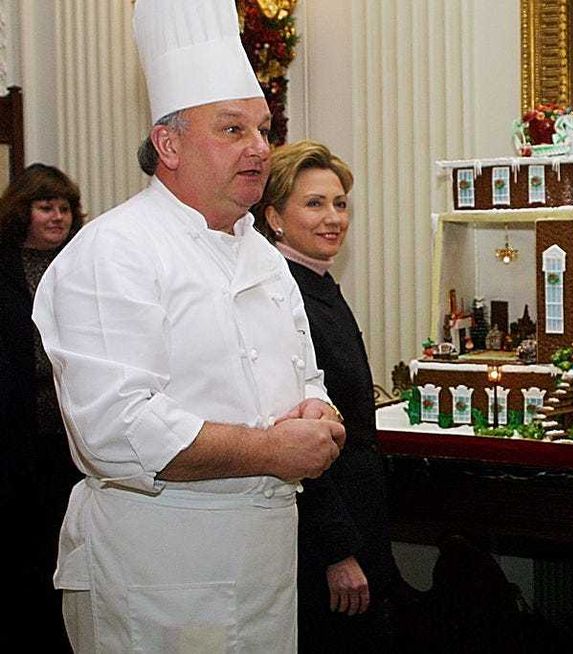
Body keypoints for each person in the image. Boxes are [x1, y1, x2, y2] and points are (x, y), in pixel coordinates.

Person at [31, 1, 345, 651]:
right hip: (156, 576)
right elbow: (116, 432)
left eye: (263, 128)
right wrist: (272, 451)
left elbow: (304, 374)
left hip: (264, 568)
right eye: (232, 129)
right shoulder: (114, 250)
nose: (260, 147)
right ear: (168, 144)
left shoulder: (258, 248)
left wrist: (319, 413)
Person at [254, 140, 407, 652]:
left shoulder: (316, 281)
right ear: (274, 216)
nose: (334, 218)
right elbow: (292, 434)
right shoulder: (282, 294)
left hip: (357, 505)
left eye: (340, 204)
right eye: (315, 204)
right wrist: (338, 551)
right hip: (327, 530)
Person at [0, 163, 86, 652]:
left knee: (64, 537)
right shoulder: (5, 265)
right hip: (16, 427)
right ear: (22, 210)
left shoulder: (81, 262)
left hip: (71, 428)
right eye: (45, 207)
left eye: (65, 208)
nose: (58, 217)